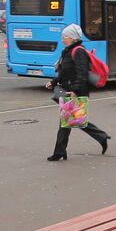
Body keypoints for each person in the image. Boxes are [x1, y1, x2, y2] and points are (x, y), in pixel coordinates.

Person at [45, 24, 110, 161]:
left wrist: (75, 90)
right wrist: (54, 82)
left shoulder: (79, 52)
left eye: (65, 37)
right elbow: (65, 72)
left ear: (73, 38)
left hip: (75, 92)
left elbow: (82, 74)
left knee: (73, 122)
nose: (63, 39)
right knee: (68, 123)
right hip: (68, 90)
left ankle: (61, 151)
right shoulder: (67, 51)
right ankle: (61, 151)